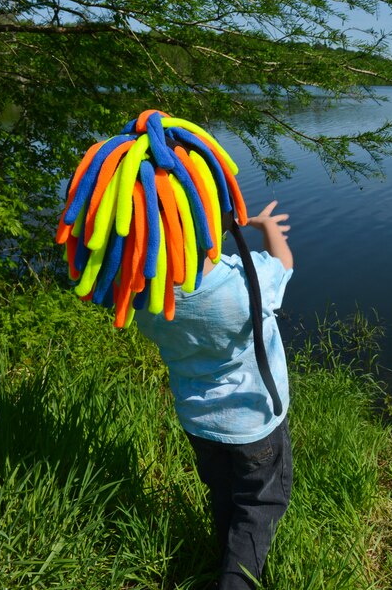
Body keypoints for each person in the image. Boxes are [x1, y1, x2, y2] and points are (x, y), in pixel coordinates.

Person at [135, 200, 294, 590]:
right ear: (217, 226)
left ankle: (224, 552)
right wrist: (265, 226)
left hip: (199, 422)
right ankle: (236, 580)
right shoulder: (245, 279)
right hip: (255, 422)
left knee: (224, 492)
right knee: (261, 503)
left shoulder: (146, 298)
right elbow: (286, 264)